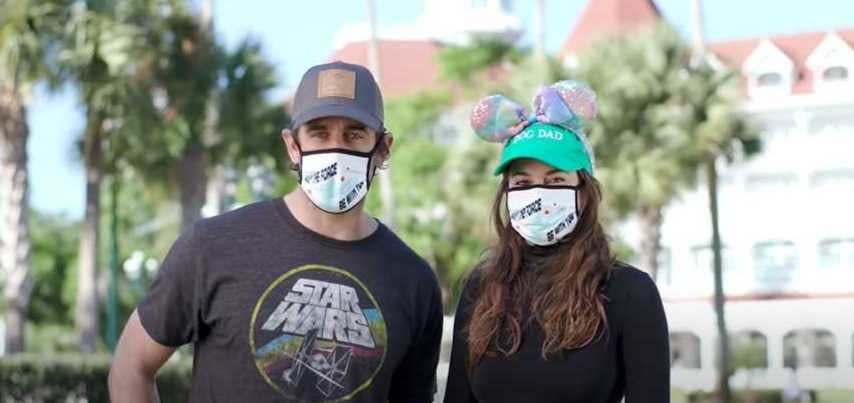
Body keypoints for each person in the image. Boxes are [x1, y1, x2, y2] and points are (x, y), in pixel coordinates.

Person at [109, 61, 443, 403]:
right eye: (319, 132)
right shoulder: (213, 246)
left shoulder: (413, 281)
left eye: (354, 134)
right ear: (292, 145)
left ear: (383, 148)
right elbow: (131, 365)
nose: (335, 149)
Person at [443, 81, 670, 403]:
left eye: (556, 180)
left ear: (584, 192)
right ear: (506, 194)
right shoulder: (481, 287)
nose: (538, 193)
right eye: (522, 182)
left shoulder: (629, 291)